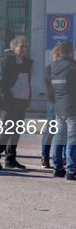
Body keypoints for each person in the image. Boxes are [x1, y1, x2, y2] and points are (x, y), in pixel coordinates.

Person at [0, 36, 33, 170]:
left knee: (16, 131)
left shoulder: (26, 62)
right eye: (21, 46)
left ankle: (10, 159)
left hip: (22, 101)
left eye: (26, 46)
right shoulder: (6, 61)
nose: (24, 49)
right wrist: (7, 98)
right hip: (9, 102)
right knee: (8, 130)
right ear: (14, 47)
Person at [50, 41, 76, 180]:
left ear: (59, 52)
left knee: (59, 138)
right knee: (72, 140)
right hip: (72, 109)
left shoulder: (52, 66)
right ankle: (71, 171)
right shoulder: (73, 66)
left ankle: (57, 168)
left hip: (58, 108)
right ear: (72, 52)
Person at [42, 45, 61, 168]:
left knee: (63, 130)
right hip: (53, 101)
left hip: (64, 101)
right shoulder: (49, 68)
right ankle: (44, 156)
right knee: (51, 129)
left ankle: (62, 157)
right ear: (58, 54)